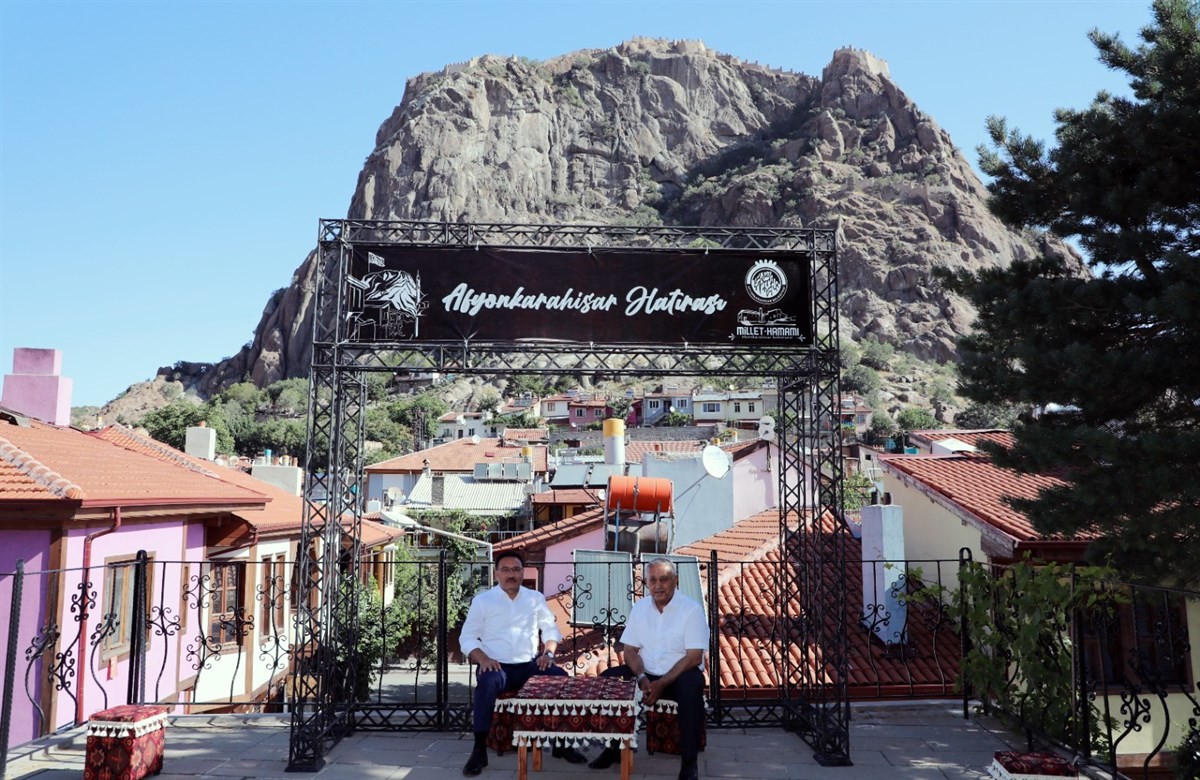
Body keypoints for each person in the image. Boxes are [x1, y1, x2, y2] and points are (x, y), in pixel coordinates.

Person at [459, 550, 587, 776]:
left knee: (562, 680)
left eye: (516, 569)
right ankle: (479, 749)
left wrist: (548, 653)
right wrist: (483, 659)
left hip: (530, 666)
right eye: (506, 570)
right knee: (486, 685)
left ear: (522, 573)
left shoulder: (534, 598)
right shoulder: (483, 601)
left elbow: (550, 629)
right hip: (497, 666)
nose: (511, 574)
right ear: (496, 573)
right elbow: (467, 637)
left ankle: (561, 744)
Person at [589, 557, 707, 780]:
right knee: (608, 679)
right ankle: (613, 748)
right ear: (646, 583)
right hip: (646, 673)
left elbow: (693, 657)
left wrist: (661, 684)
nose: (658, 585)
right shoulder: (640, 608)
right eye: (652, 580)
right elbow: (630, 650)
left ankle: (689, 763)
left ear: (676, 581)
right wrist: (642, 677)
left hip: (680, 674)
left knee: (692, 689)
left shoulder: (691, 610)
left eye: (664, 579)